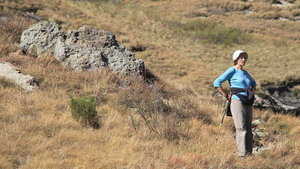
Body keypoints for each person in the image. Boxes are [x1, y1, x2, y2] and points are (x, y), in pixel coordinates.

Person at [214, 50, 257, 157]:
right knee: (241, 127)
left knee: (248, 128)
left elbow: (253, 83)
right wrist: (225, 95)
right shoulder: (232, 70)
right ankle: (242, 155)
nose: (243, 59)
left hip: (248, 100)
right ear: (236, 59)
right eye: (241, 57)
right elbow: (217, 82)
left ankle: (249, 153)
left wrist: (251, 91)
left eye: (244, 58)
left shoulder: (245, 73)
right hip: (237, 100)